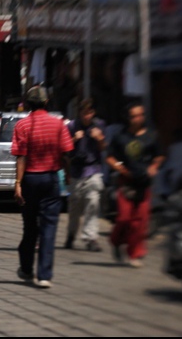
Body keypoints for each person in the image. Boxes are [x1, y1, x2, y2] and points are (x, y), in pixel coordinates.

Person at [11, 85, 74, 289]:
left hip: (30, 180)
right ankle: (44, 274)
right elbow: (66, 153)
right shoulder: (58, 125)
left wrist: (18, 184)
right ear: (47, 102)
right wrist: (69, 175)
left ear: (28, 104)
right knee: (49, 228)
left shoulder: (22, 125)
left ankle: (26, 268)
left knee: (30, 227)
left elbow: (21, 156)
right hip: (50, 180)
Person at [106, 101, 165, 268]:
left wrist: (154, 166)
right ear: (128, 118)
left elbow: (159, 156)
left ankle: (135, 253)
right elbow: (110, 157)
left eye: (140, 115)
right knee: (124, 218)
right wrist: (121, 169)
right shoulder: (121, 137)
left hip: (144, 184)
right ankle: (116, 241)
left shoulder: (151, 136)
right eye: (134, 116)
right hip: (126, 183)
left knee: (139, 222)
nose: (138, 119)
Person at [64, 98, 107, 252]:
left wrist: (99, 138)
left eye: (89, 112)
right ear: (79, 113)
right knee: (74, 207)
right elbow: (65, 151)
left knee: (93, 202)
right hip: (76, 171)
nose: (86, 116)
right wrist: (74, 139)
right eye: (84, 112)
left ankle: (91, 238)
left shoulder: (99, 126)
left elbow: (103, 148)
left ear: (93, 113)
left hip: (93, 170)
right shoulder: (72, 126)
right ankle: (71, 234)